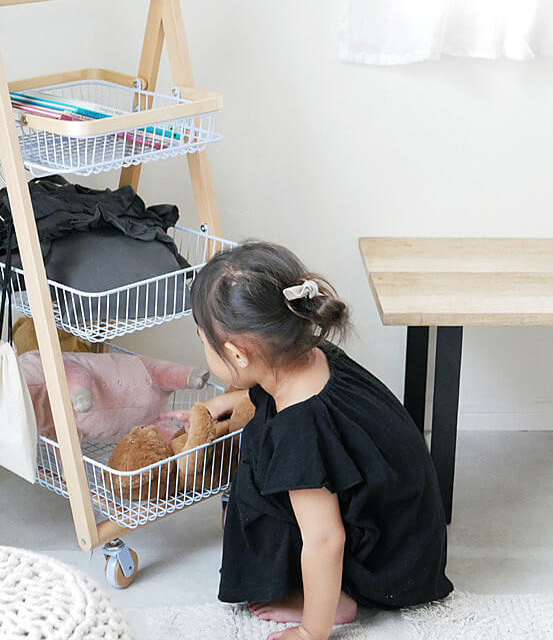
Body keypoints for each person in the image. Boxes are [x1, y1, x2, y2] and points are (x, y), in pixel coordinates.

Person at [163, 241, 453, 640]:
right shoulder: (312, 354)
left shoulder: (299, 432)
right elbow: (268, 389)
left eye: (203, 339)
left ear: (236, 354)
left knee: (264, 479)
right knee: (262, 442)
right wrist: (226, 402)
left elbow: (325, 539)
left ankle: (337, 601)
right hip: (408, 538)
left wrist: (310, 633)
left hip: (388, 571)